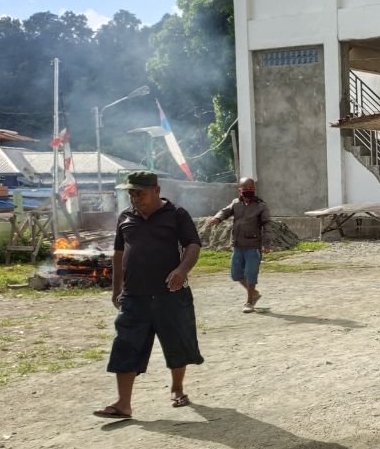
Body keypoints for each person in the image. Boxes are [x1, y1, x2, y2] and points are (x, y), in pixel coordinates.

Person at [94, 170, 204, 420]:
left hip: (170, 294)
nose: (135, 198)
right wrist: (116, 289)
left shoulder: (176, 214)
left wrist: (182, 270)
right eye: (131, 194)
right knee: (125, 345)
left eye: (140, 194)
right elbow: (119, 254)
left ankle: (177, 389)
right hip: (135, 296)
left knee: (177, 343)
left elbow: (193, 245)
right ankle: (123, 404)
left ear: (156, 190)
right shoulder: (125, 217)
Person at [206, 176, 271, 312]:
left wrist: (267, 243)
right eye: (245, 188)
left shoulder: (261, 206)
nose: (248, 190)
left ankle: (249, 302)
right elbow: (225, 211)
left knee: (250, 274)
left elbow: (267, 226)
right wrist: (218, 218)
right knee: (235, 275)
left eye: (251, 188)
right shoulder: (236, 203)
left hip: (253, 246)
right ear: (239, 190)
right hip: (238, 245)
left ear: (255, 189)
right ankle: (254, 293)